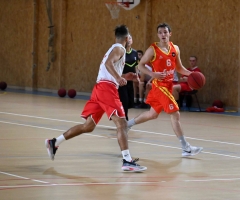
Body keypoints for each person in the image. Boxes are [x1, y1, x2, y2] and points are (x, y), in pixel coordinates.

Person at [45, 25, 147, 172]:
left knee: (88, 126)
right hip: (107, 89)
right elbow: (108, 64)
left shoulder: (114, 48)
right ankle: (127, 161)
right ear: (126, 38)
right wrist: (119, 78)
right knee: (122, 124)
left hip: (100, 88)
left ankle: (54, 142)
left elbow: (107, 69)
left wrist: (125, 77)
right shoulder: (120, 48)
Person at [127, 23, 203, 157]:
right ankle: (186, 147)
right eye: (160, 32)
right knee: (176, 114)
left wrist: (191, 75)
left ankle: (127, 124)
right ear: (158, 35)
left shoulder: (175, 48)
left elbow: (179, 68)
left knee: (152, 114)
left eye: (165, 32)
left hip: (168, 85)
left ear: (170, 34)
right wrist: (153, 74)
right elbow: (140, 65)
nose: (163, 35)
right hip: (159, 86)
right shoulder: (153, 49)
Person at [118, 34, 139, 121]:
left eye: (130, 38)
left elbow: (136, 66)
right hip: (121, 81)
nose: (128, 40)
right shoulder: (120, 52)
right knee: (124, 100)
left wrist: (137, 75)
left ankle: (121, 116)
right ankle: (124, 119)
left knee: (130, 101)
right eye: (127, 38)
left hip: (130, 81)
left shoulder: (135, 53)